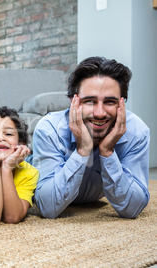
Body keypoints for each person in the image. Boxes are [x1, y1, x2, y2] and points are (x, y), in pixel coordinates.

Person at [33, 56, 150, 219]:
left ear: (121, 104)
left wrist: (108, 152)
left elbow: (133, 208)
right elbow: (48, 207)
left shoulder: (137, 132)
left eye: (109, 102)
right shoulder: (50, 129)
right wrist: (82, 151)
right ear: (73, 102)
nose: (100, 113)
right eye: (90, 101)